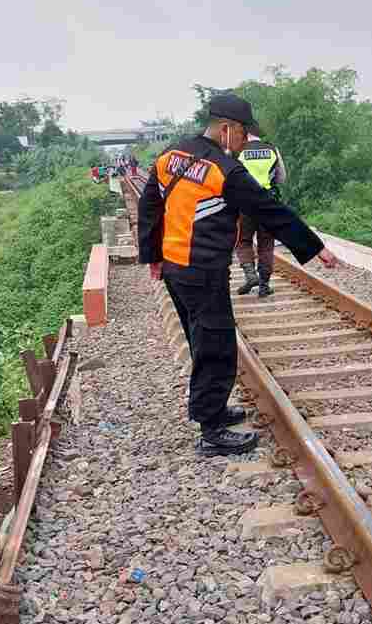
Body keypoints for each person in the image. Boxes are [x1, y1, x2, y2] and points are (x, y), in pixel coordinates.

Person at [137, 93, 337, 457]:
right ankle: (211, 429)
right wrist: (315, 247)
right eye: (244, 134)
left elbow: (149, 204)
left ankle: (212, 410)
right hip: (203, 269)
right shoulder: (224, 171)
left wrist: (152, 255)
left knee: (200, 338)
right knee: (216, 344)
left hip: (175, 268)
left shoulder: (171, 154)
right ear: (227, 129)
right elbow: (270, 208)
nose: (245, 142)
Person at [235, 134, 287, 297]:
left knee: (243, 240)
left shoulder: (239, 150)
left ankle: (251, 275)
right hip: (267, 202)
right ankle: (264, 285)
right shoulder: (272, 149)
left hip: (245, 203)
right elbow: (281, 178)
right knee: (266, 244)